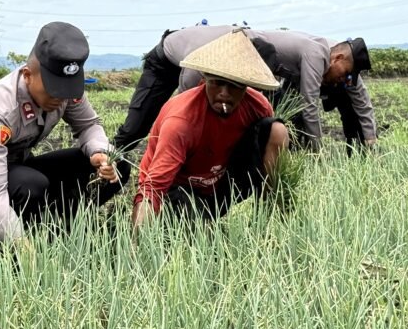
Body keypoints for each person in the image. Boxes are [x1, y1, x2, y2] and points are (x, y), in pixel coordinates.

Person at [0, 21, 119, 243]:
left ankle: (61, 231)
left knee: (115, 167)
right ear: (27, 75)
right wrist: (23, 247)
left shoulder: (66, 93)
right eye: (53, 90)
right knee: (29, 185)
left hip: (17, 166)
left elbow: (88, 126)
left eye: (67, 90)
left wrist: (100, 153)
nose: (61, 98)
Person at [132, 29, 289, 229]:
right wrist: (136, 245)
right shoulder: (181, 120)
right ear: (205, 80)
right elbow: (153, 187)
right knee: (200, 237)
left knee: (276, 130)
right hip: (180, 189)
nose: (224, 94)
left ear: (246, 87)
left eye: (234, 86)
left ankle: (268, 219)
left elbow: (262, 148)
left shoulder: (257, 105)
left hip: (219, 185)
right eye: (217, 83)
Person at [179, 29, 376, 153]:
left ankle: (294, 151)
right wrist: (318, 151)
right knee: (264, 112)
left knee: (291, 117)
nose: (346, 79)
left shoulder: (347, 70)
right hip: (258, 58)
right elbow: (309, 104)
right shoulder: (317, 54)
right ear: (338, 58)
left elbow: (363, 104)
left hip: (282, 75)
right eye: (346, 73)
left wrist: (370, 139)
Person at [114, 24, 275, 152]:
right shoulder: (204, 66)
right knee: (135, 128)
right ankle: (109, 163)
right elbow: (183, 110)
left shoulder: (247, 49)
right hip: (163, 64)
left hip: (191, 53)